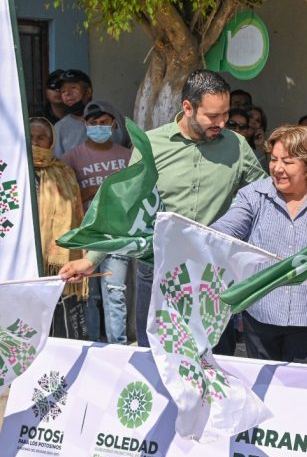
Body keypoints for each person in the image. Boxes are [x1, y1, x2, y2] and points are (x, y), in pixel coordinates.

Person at [60, 69, 266, 349]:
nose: (221, 122)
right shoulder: (151, 146)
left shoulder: (236, 146)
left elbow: (263, 195)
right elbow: (126, 208)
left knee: (213, 354)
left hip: (211, 273)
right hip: (157, 268)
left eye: (225, 114)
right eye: (212, 116)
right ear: (188, 108)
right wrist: (91, 260)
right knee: (155, 353)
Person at [211, 125, 307, 364]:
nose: (277, 168)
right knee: (261, 382)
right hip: (261, 314)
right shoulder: (253, 196)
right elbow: (224, 232)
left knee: (304, 383)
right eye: (274, 159)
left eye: (288, 162)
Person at [61, 101, 132, 344]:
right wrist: (92, 191)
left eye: (104, 122)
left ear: (114, 124)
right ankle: (92, 343)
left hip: (119, 234)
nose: (99, 127)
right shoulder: (72, 157)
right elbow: (65, 197)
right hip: (87, 233)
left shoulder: (127, 156)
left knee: (115, 292)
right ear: (85, 124)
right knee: (89, 295)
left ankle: (118, 346)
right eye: (93, 123)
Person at [29, 117, 89, 334]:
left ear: (51, 141)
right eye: (31, 137)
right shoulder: (12, 172)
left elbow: (75, 213)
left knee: (57, 312)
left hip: (57, 258)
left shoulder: (63, 171)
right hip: (26, 252)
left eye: (41, 137)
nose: (35, 142)